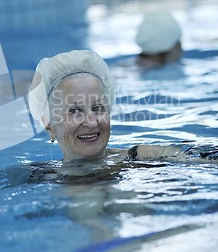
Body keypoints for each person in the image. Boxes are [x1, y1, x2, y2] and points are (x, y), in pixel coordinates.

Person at [28, 49, 216, 171]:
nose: (92, 121)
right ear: (49, 125)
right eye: (75, 111)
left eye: (98, 108)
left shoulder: (140, 157)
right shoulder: (37, 178)